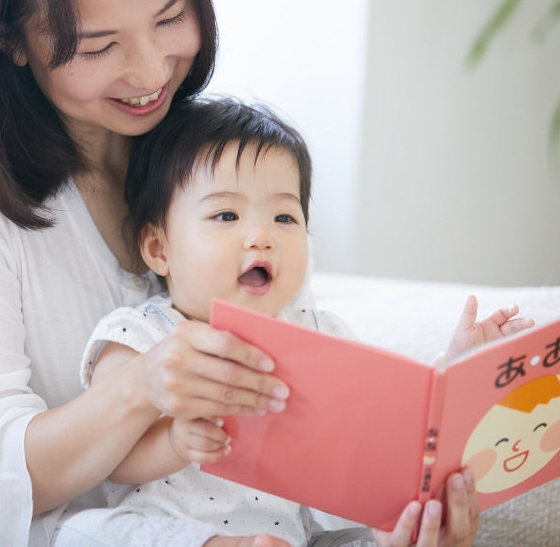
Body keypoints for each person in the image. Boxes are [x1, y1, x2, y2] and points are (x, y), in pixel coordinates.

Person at [0, 0, 496, 545]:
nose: (152, 73)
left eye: (171, 18)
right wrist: (140, 387)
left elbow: (319, 451)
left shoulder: (224, 168)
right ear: (9, 40)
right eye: (99, 45)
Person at [79, 97, 535, 547]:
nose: (262, 237)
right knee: (88, 533)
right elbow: (106, 456)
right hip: (169, 528)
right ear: (159, 249)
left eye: (284, 216)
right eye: (226, 215)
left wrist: (454, 368)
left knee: (380, 533)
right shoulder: (139, 335)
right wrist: (174, 444)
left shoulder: (321, 334)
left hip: (292, 538)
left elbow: (389, 420)